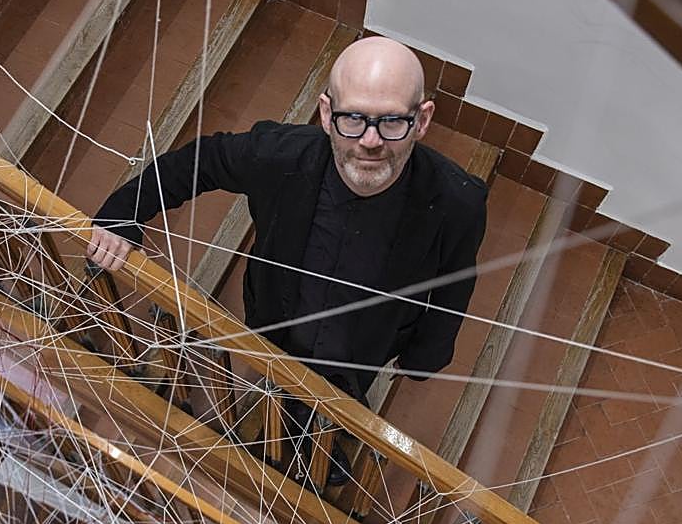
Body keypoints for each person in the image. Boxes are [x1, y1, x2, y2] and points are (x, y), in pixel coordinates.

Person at [87, 37, 487, 482]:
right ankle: (285, 408)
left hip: (363, 345)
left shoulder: (458, 201)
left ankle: (323, 438)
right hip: (275, 316)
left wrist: (428, 353)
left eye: (392, 121)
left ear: (422, 119)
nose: (371, 142)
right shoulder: (281, 154)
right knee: (278, 369)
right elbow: (201, 160)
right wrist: (124, 213)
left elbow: (455, 278)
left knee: (339, 395)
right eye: (352, 118)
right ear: (325, 114)